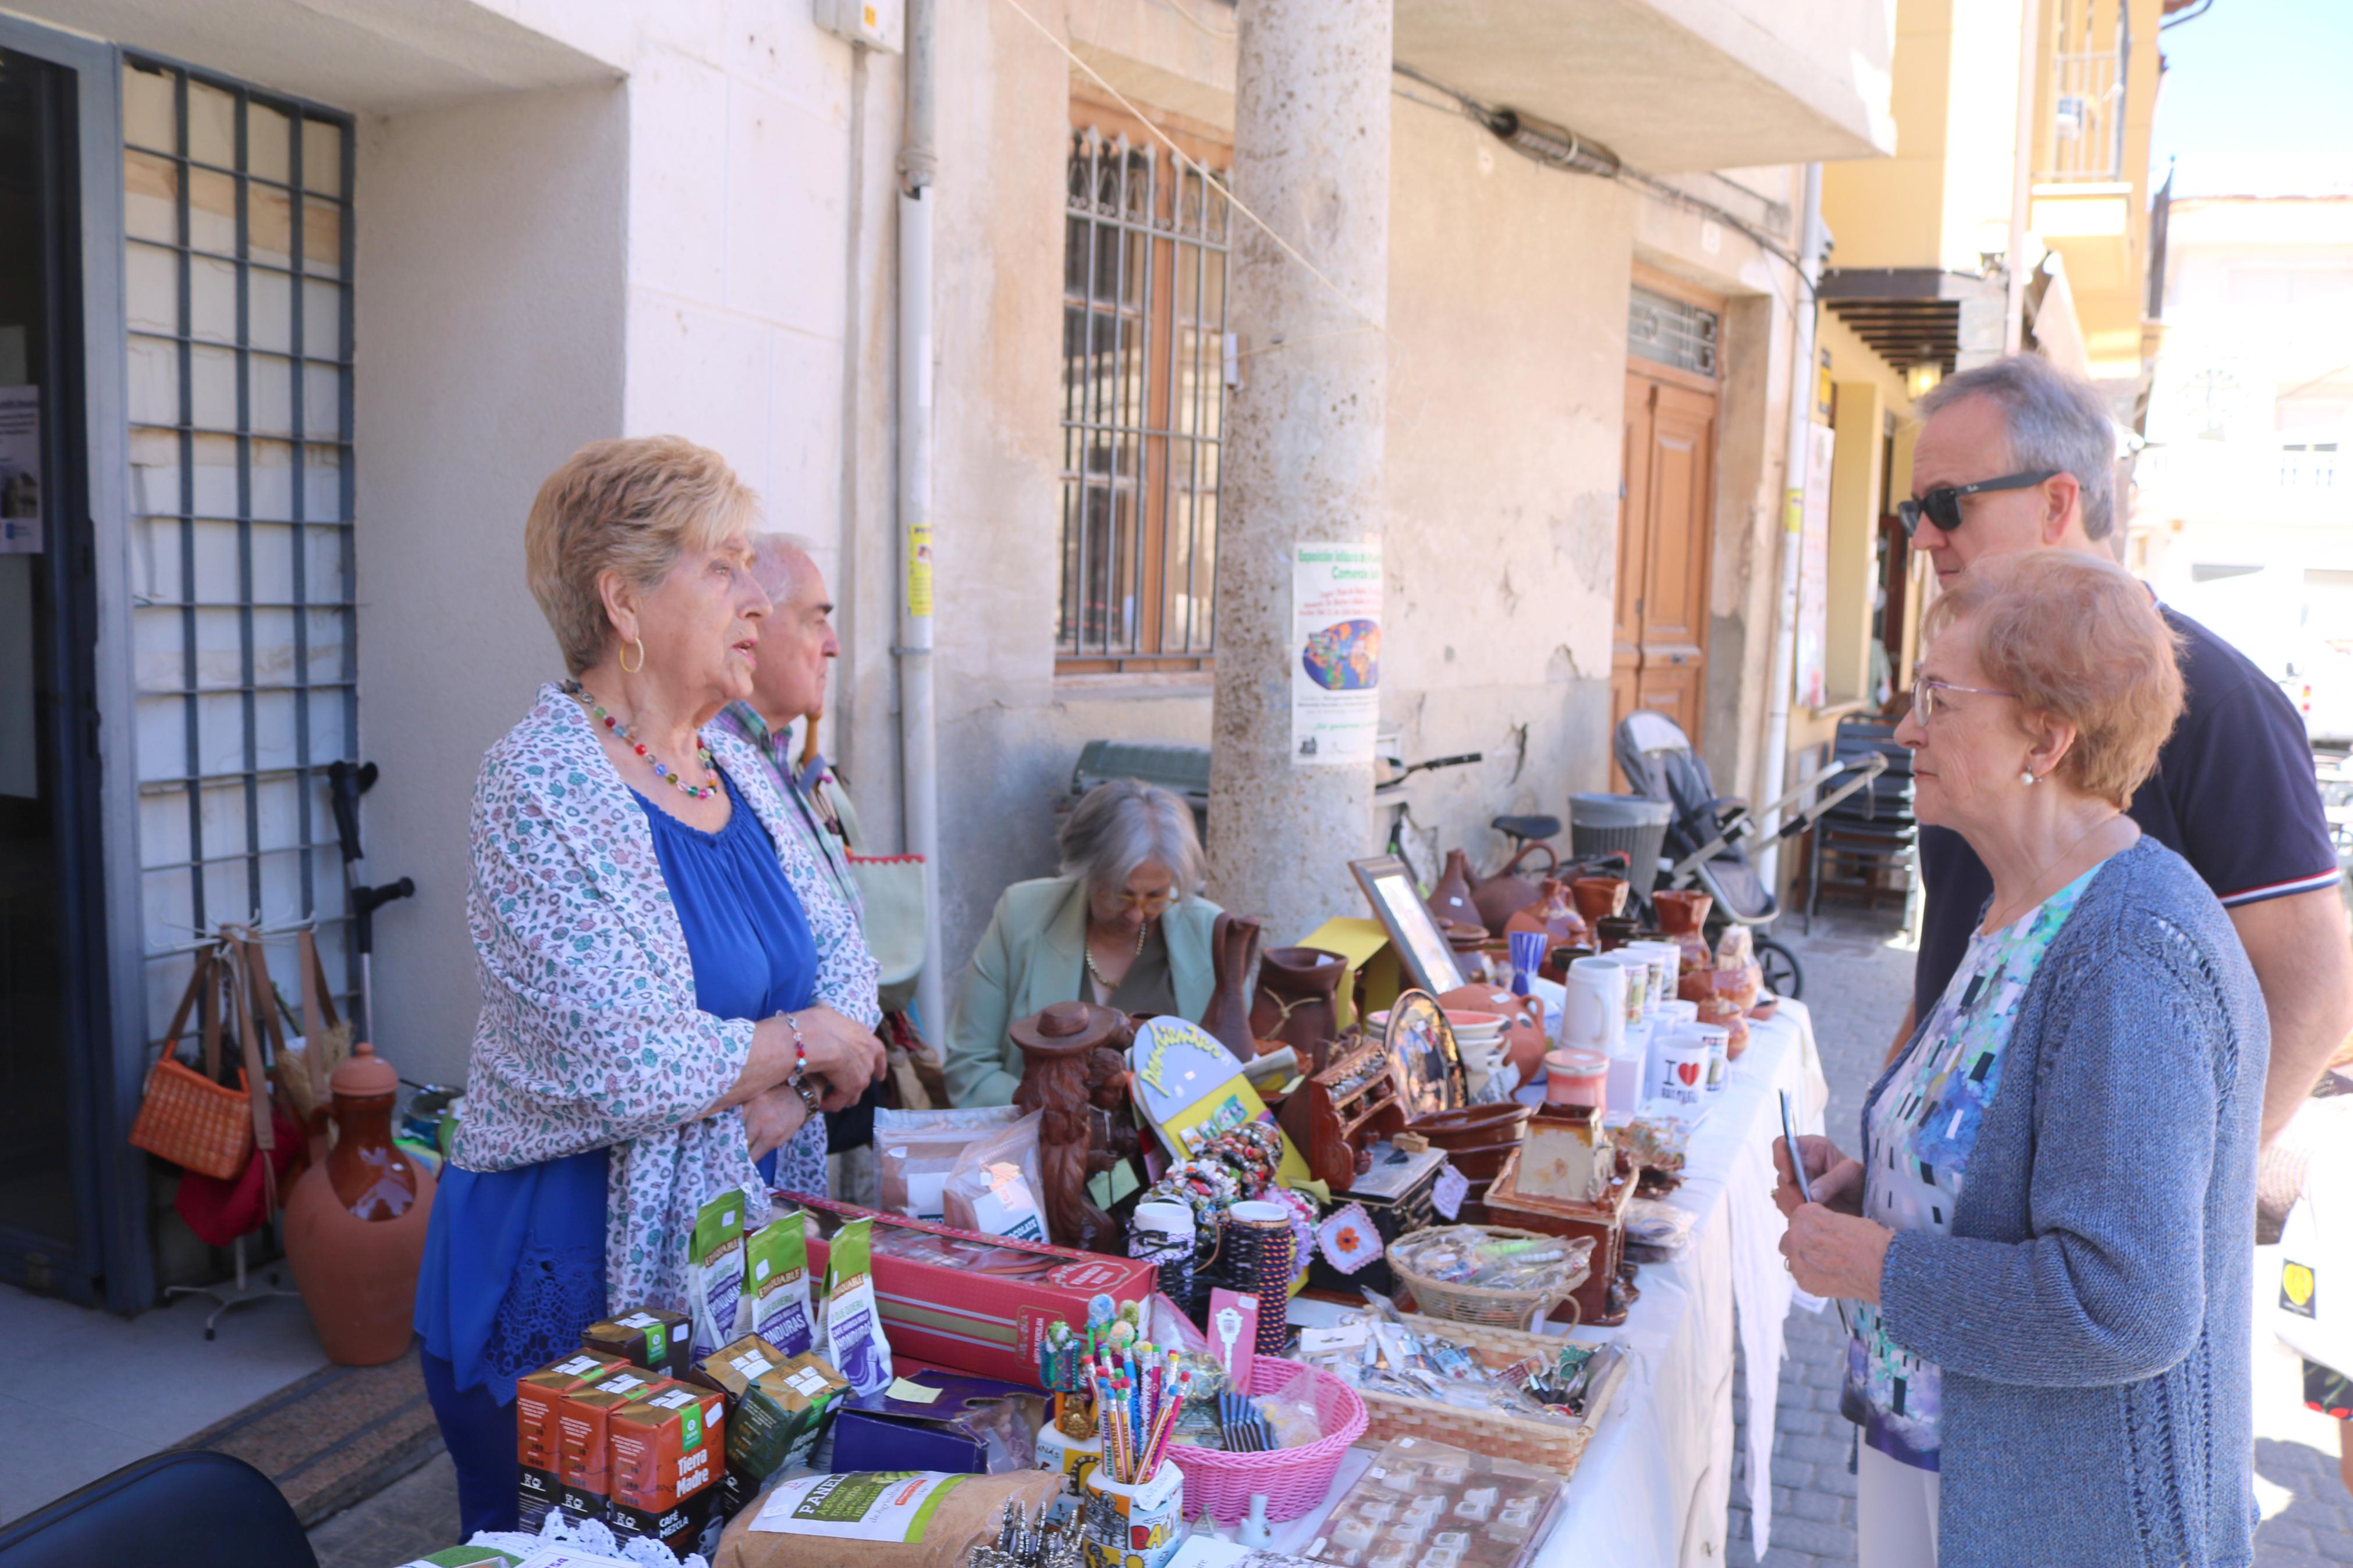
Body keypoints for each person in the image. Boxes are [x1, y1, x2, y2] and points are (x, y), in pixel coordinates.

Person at [414, 438, 886, 1535]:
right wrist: (801, 1043)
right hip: (563, 1278)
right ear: (621, 599)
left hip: (724, 1261)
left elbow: (850, 970)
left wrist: (801, 1081)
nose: (756, 601)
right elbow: (624, 1061)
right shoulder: (537, 782)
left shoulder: (741, 767)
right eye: (722, 568)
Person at [1777, 550, 2265, 1565]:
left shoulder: (2129, 956)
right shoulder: (2019, 908)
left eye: (1938, 700)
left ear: (2045, 737)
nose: (1905, 727)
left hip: (2060, 1515)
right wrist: (1879, 1190)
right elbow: (2010, 1175)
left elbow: (2124, 1305)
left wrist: (1882, 1266)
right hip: (1954, 1471)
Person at [1891, 355, 2353, 1165]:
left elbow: (2311, 991)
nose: (1924, 534)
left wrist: (2194, 1190)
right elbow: (1950, 955)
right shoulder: (1967, 693)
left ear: (2056, 502)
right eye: (1914, 509)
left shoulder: (2218, 700)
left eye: (1946, 504)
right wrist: (1887, 1137)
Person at [709, 534, 888, 1197]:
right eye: (817, 618)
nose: (834, 644)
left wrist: (805, 1090)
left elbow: (848, 956)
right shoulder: (709, 771)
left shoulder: (776, 762)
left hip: (786, 1136)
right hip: (728, 1150)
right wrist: (807, 1054)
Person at [945, 780, 1219, 1106]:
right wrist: (1052, 1115)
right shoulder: (1021, 914)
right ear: (1085, 871)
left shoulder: (1208, 931)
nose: (1136, 915)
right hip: (1036, 1140)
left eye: (1157, 897)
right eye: (1121, 894)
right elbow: (970, 1068)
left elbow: (1232, 1073)